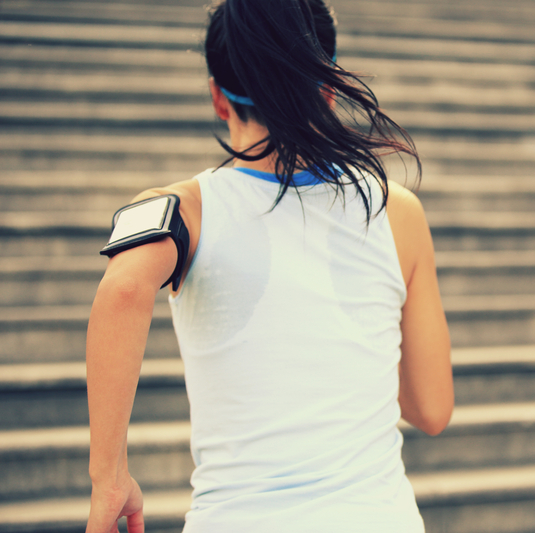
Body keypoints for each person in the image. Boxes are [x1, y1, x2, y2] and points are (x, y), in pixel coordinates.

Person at [84, 0, 453, 531]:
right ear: (326, 89)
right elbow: (432, 410)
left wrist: (109, 477)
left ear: (218, 96)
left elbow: (121, 289)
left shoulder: (184, 209)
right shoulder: (397, 211)